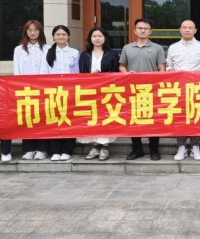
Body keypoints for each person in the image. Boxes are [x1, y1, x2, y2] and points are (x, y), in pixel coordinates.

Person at [120, 18, 166, 160]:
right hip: (132, 90)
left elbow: (162, 67)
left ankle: (154, 149)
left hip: (152, 90)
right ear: (135, 30)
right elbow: (122, 66)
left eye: (146, 28)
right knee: (134, 119)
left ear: (150, 31)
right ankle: (137, 149)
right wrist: (126, 73)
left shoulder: (157, 48)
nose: (143, 30)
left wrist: (159, 80)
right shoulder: (127, 48)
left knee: (153, 120)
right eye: (140, 28)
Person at [166, 19, 200, 160]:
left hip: (197, 88)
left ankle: (195, 146)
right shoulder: (173, 47)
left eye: (190, 28)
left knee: (197, 117)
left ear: (195, 30)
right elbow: (168, 66)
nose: (187, 30)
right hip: (178, 89)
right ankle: (181, 147)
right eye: (184, 27)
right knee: (179, 117)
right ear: (180, 30)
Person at [78, 26, 120, 161]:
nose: (97, 39)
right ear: (90, 38)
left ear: (104, 38)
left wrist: (102, 75)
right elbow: (81, 73)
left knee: (105, 117)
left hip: (107, 91)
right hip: (89, 91)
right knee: (93, 118)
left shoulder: (112, 54)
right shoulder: (84, 55)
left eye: (100, 36)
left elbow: (116, 72)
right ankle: (95, 147)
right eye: (94, 36)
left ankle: (105, 147)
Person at [13, 19, 50, 161]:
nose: (33, 33)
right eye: (30, 30)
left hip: (43, 88)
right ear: (25, 32)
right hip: (26, 89)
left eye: (35, 30)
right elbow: (17, 70)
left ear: (40, 31)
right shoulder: (19, 49)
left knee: (42, 119)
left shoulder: (47, 48)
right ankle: (29, 149)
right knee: (27, 119)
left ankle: (41, 149)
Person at [43, 25, 80, 161]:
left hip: (69, 91)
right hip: (52, 92)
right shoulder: (47, 52)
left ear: (68, 36)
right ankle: (55, 151)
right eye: (58, 34)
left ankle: (67, 150)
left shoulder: (74, 52)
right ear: (53, 37)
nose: (61, 37)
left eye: (64, 34)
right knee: (54, 121)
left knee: (68, 120)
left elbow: (77, 72)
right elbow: (43, 72)